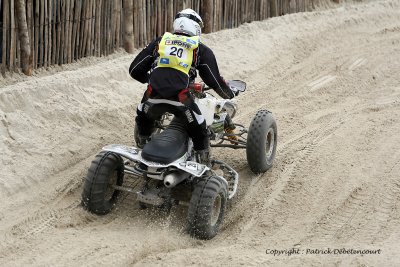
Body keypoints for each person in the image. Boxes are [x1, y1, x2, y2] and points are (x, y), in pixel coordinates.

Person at [129, 8, 236, 165]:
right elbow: (214, 80)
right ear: (197, 26)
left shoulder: (160, 42)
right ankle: (203, 163)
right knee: (200, 129)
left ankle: (143, 150)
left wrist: (153, 80)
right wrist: (229, 94)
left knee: (142, 118)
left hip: (151, 99)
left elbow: (134, 70)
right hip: (181, 101)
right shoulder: (199, 48)